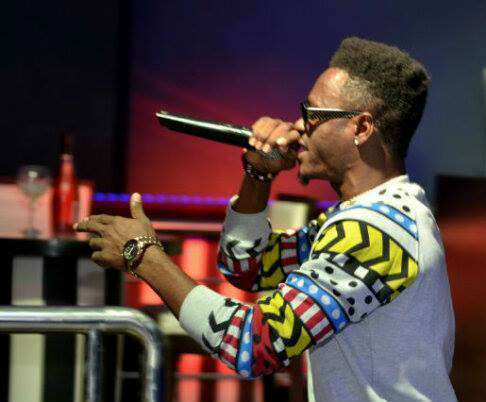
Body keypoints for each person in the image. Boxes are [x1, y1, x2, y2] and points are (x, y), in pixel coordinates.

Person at [75, 37, 457, 402]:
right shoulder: (371, 215)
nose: (298, 125)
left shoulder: (374, 231)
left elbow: (252, 344)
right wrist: (258, 174)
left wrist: (143, 256)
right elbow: (246, 266)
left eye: (313, 114)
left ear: (361, 128)